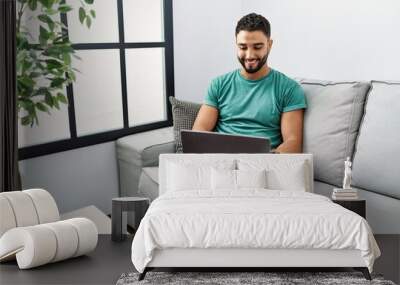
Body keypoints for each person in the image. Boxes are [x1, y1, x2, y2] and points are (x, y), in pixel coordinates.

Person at [192, 13, 307, 153]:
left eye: (257, 47)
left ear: (269, 45)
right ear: (236, 45)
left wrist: (269, 159)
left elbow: (293, 143)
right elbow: (199, 132)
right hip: (221, 161)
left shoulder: (289, 89)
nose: (249, 55)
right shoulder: (218, 84)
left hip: (264, 164)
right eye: (243, 47)